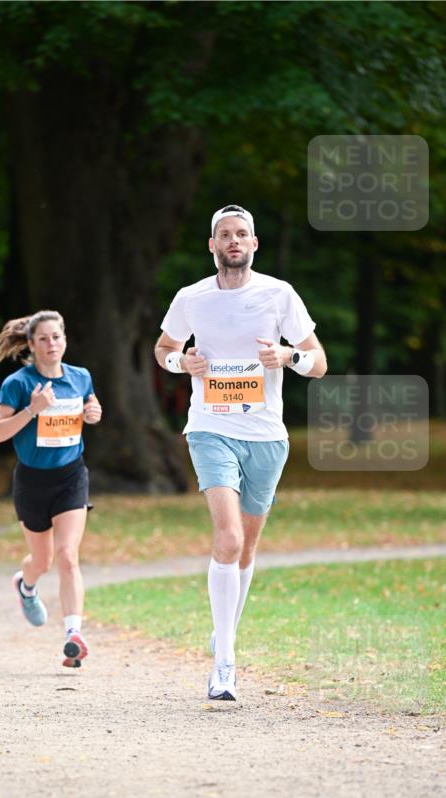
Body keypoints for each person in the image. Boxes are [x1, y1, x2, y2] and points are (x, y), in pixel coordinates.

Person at [155, 205, 328, 701]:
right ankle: (224, 664)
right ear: (212, 245)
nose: (233, 241)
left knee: (247, 548)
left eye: (242, 234)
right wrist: (181, 362)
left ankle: (224, 628)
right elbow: (163, 349)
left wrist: (289, 356)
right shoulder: (191, 298)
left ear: (254, 244)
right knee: (228, 539)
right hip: (210, 428)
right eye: (225, 234)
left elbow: (318, 362)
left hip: (266, 436)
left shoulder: (279, 294)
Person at [0, 310, 102, 667]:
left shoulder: (80, 377)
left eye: (56, 337)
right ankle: (26, 585)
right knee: (42, 561)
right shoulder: (18, 384)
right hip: (32, 482)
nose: (51, 344)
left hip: (71, 477)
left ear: (64, 339)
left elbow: (90, 405)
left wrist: (93, 411)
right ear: (32, 345)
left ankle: (73, 635)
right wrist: (31, 411)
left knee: (68, 556)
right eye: (43, 339)